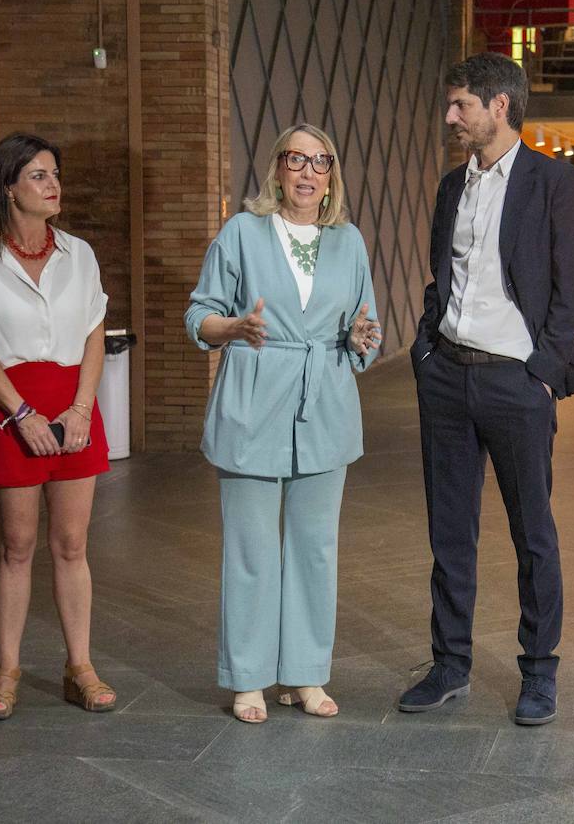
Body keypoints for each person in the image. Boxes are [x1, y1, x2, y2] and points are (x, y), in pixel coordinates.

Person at [398, 52, 574, 726]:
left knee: (532, 531)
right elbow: (439, 275)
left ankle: (539, 672)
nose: (450, 117)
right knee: (450, 532)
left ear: (500, 106)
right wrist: (427, 347)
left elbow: (572, 295)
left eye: (461, 106)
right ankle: (450, 664)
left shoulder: (555, 182)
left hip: (516, 383)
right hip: (447, 377)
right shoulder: (454, 185)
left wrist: (540, 372)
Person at [185, 124, 380, 724]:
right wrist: (235, 328)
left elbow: (366, 329)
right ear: (276, 169)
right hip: (253, 404)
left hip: (324, 406)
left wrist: (358, 340)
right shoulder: (242, 233)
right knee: (250, 550)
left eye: (320, 161)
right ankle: (248, 677)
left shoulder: (349, 242)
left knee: (315, 550)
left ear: (331, 178)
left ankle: (304, 674)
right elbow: (200, 314)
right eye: (295, 159)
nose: (307, 171)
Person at [0, 133, 116, 721]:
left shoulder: (80, 253)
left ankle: (80, 667)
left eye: (55, 174)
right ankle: (6, 669)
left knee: (72, 544)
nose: (54, 186)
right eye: (39, 176)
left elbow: (96, 332)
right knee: (16, 546)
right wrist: (21, 414)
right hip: (11, 410)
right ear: (8, 187)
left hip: (75, 407)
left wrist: (81, 409)